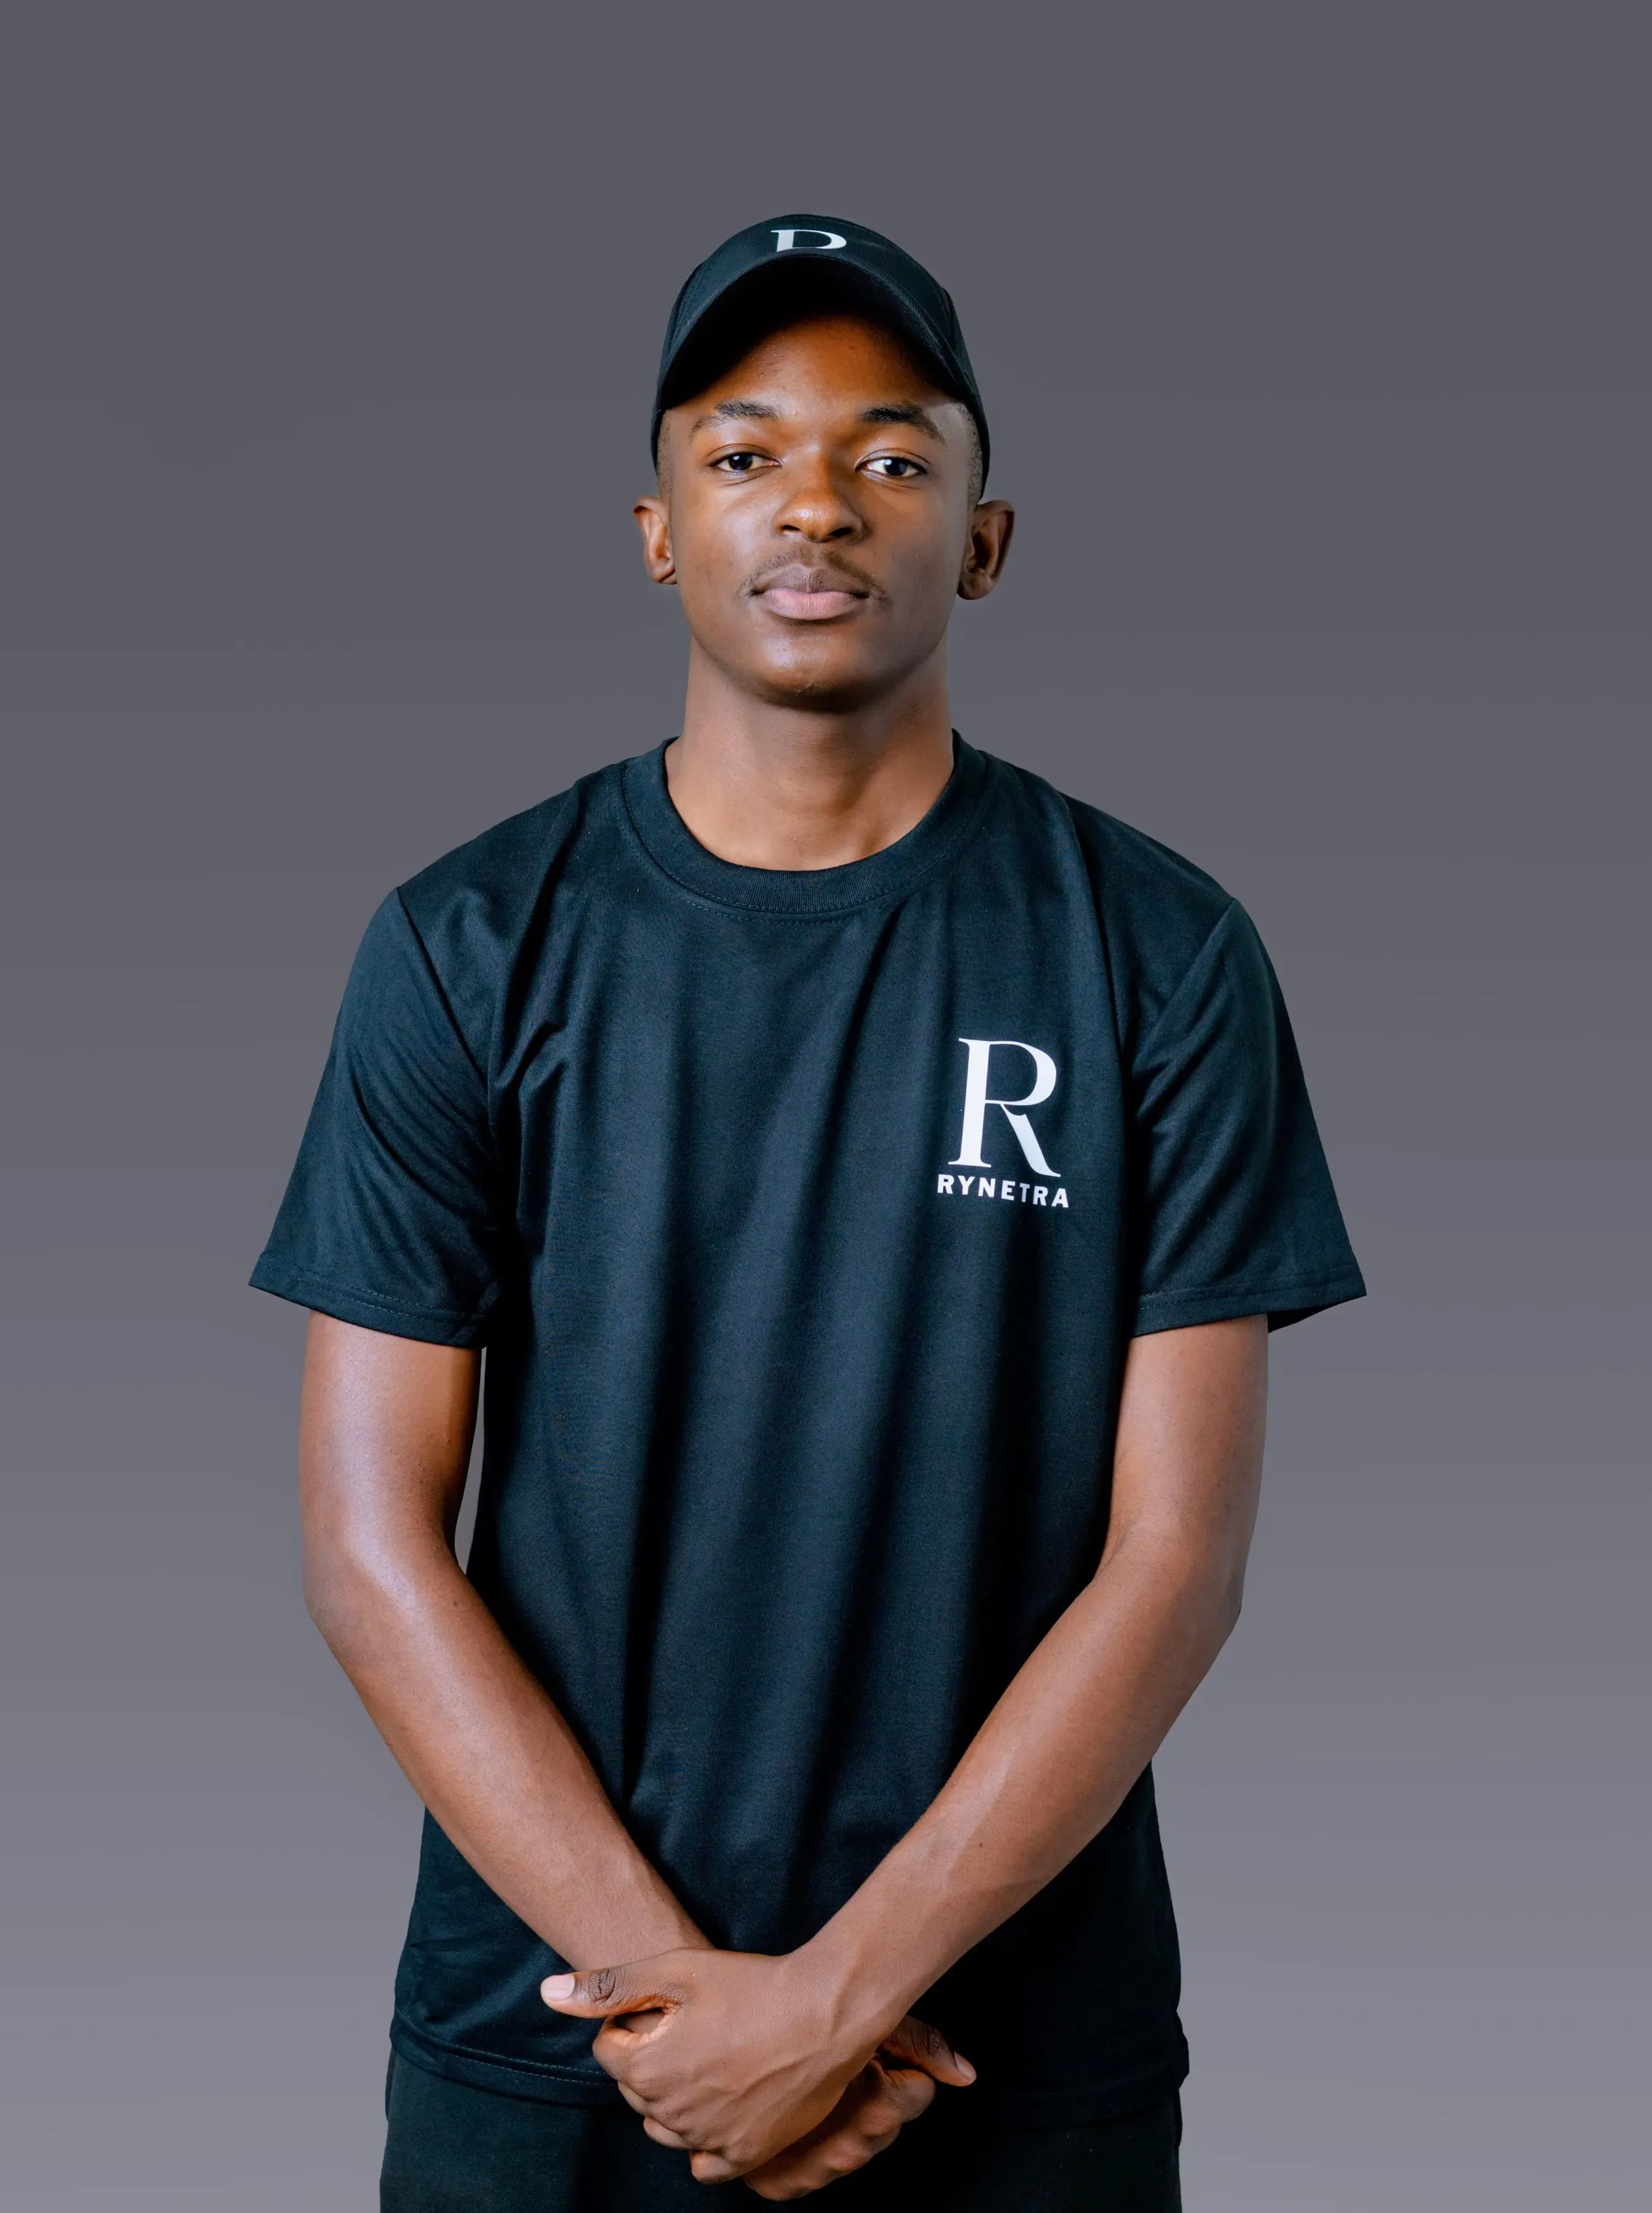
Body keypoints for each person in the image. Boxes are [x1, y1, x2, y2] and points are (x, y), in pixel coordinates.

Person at [252, 214, 1364, 2209]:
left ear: (989, 537)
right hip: (556, 2035)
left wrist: (843, 1995)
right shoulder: (468, 948)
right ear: (658, 529)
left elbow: (1176, 1561)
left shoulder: (1161, 959)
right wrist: (689, 2006)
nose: (821, 503)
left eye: (893, 453)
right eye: (745, 451)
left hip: (1008, 2049)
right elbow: (364, 1544)